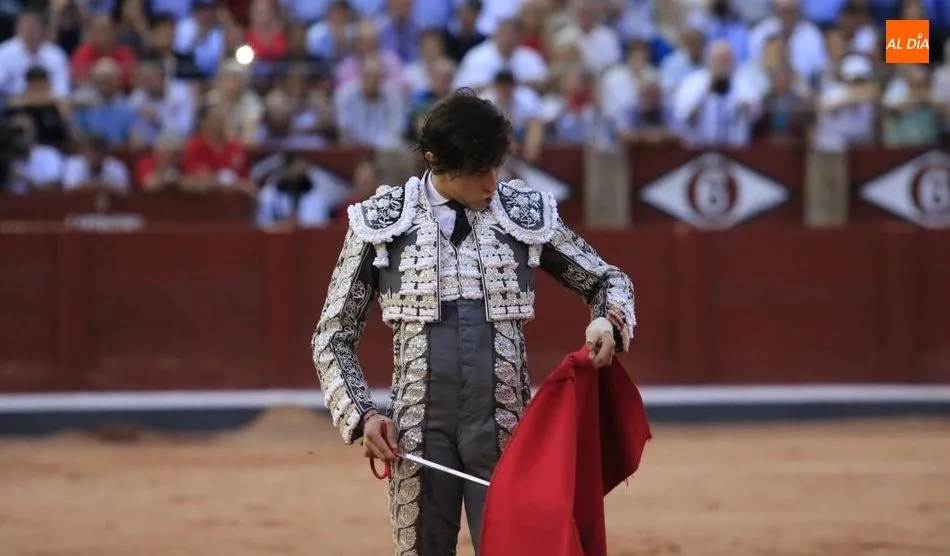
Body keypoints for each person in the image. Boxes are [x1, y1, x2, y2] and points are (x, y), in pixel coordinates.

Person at [311, 88, 636, 556]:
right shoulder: (381, 223)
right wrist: (362, 415)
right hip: (418, 433)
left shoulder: (521, 213)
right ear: (434, 161)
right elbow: (333, 337)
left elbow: (608, 280)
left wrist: (607, 321)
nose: (492, 181)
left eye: (495, 165)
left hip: (505, 429)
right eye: (478, 169)